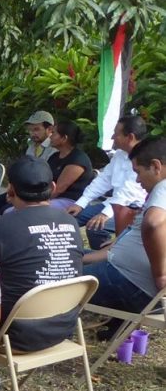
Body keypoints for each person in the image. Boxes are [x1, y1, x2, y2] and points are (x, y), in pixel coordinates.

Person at [0, 157, 83, 352]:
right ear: (53, 187)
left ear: (10, 190)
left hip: (10, 336)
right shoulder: (71, 223)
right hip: (62, 328)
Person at [83, 137, 166, 323]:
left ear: (156, 166)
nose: (137, 179)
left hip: (130, 281)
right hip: (127, 272)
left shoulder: (163, 187)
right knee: (75, 257)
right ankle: (115, 329)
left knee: (58, 279)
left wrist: (161, 275)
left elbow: (154, 222)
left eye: (138, 172)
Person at [66, 115, 148, 250]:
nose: (112, 137)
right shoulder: (120, 154)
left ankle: (108, 257)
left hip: (133, 208)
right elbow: (103, 180)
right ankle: (68, 253)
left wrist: (105, 214)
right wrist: (81, 203)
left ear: (130, 137)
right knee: (70, 218)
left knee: (95, 227)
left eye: (116, 134)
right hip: (113, 203)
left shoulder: (144, 158)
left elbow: (128, 193)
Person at [0, 111, 57, 222]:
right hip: (23, 188)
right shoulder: (32, 146)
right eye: (30, 130)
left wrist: (17, 196)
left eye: (36, 129)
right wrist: (13, 191)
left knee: (5, 209)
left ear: (49, 129)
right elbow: (24, 171)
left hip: (37, 192)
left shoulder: (54, 148)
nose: (32, 133)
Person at [44, 120, 95, 210]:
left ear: (64, 138)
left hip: (71, 201)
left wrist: (36, 202)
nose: (50, 136)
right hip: (53, 198)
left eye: (53, 133)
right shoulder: (54, 156)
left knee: (33, 209)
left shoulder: (78, 159)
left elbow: (59, 189)